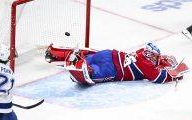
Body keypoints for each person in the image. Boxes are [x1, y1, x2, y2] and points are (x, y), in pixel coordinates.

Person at [44, 43, 189, 85]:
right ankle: (79, 71)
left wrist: (164, 62)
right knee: (94, 72)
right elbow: (158, 77)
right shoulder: (146, 63)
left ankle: (59, 54)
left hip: (108, 54)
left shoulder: (140, 53)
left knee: (91, 58)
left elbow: (158, 61)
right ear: (151, 55)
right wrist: (176, 74)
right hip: (113, 69)